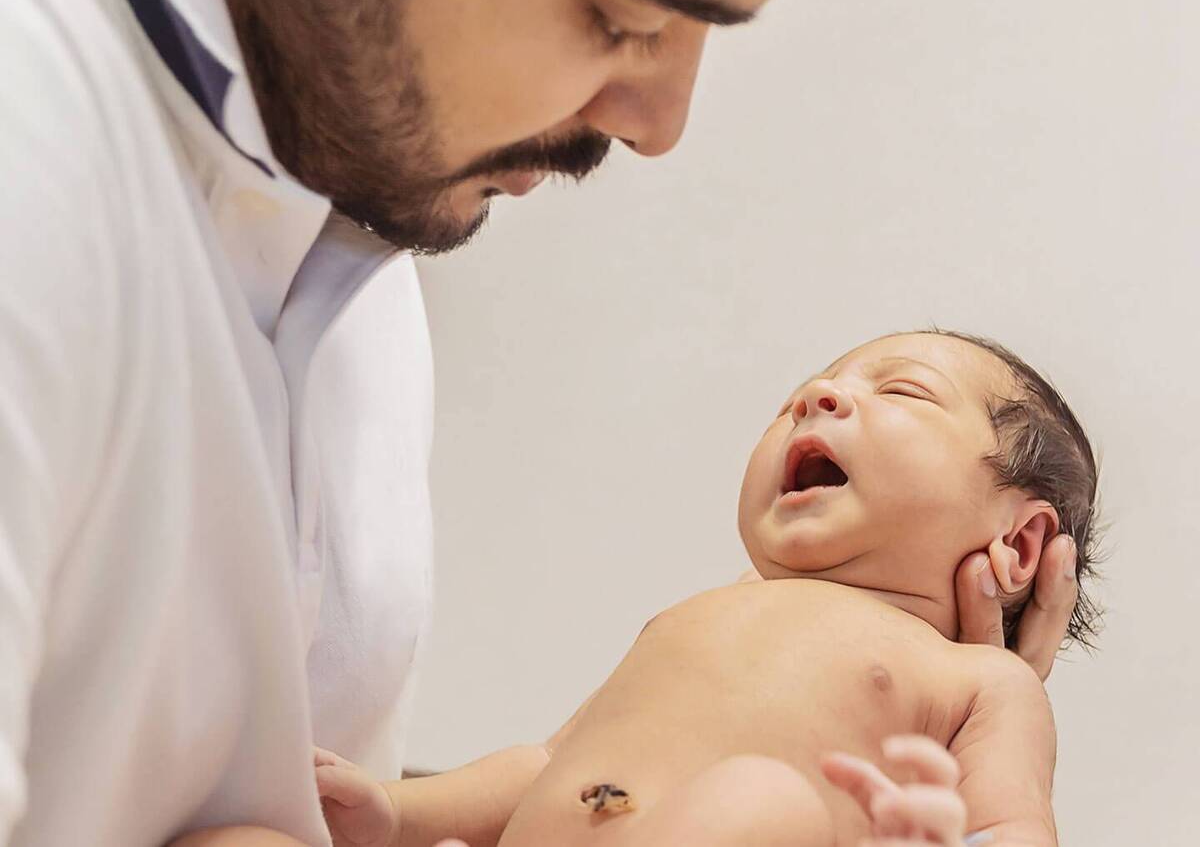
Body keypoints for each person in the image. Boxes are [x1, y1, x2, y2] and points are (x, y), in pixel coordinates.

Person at [0, 0, 1080, 843]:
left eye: (898, 392)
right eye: (617, 13)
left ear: (1019, 542)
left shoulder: (364, 287)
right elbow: (562, 764)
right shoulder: (40, 162)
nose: (661, 125)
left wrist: (970, 731)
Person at [313, 330, 1100, 846]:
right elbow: (545, 765)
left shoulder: (982, 678)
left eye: (902, 391)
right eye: (806, 389)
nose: (814, 399)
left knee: (762, 801)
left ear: (1021, 542)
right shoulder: (698, 617)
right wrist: (392, 812)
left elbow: (1014, 828)